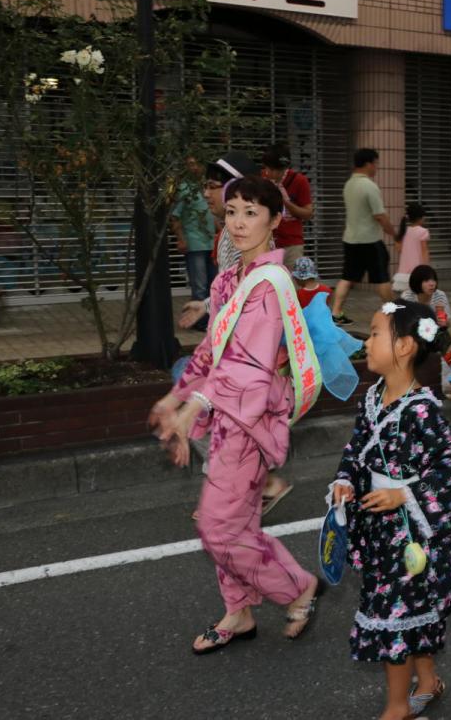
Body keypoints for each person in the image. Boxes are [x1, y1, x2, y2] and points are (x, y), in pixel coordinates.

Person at [149, 175, 322, 653]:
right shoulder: (229, 279)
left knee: (217, 526)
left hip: (251, 418)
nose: (239, 223)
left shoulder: (270, 283)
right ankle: (239, 610)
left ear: (275, 219)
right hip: (228, 414)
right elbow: (211, 351)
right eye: (232, 212)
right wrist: (174, 399)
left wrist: (194, 407)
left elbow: (248, 364)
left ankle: (297, 586)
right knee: (236, 523)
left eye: (251, 212)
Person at [329, 300, 451, 720]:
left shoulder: (422, 410)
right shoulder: (373, 397)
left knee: (393, 612)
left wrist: (405, 493)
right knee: (411, 610)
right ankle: (427, 682)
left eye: (376, 333)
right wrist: (344, 479)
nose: (367, 341)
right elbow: (356, 450)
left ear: (405, 346)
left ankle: (396, 707)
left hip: (409, 535)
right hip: (380, 531)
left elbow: (450, 467)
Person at [176, 152, 294, 515]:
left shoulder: (237, 239)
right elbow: (234, 290)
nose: (207, 193)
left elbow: (248, 295)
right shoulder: (236, 236)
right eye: (231, 209)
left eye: (214, 186)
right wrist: (207, 305)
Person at [333, 149, 397, 325]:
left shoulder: (348, 185)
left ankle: (336, 313)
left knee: (347, 277)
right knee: (382, 278)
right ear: (368, 164)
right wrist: (393, 233)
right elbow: (380, 215)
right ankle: (393, 313)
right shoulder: (369, 186)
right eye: (376, 164)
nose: (376, 167)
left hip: (350, 239)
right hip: (370, 240)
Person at [170, 157, 216, 333]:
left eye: (197, 163)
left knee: (214, 285)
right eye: (190, 164)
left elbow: (210, 214)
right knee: (200, 287)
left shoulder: (206, 187)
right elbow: (175, 216)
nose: (194, 167)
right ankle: (201, 323)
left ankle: (211, 320)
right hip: (195, 244)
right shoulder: (184, 189)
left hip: (211, 243)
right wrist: (181, 239)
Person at [262, 142, 314, 265]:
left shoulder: (299, 181)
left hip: (292, 244)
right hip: (265, 242)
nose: (271, 173)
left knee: (292, 277)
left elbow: (308, 213)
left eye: (276, 170)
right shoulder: (261, 179)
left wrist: (285, 202)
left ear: (284, 168)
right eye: (268, 169)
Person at [393, 202, 430, 296]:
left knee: (405, 297)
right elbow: (424, 251)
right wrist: (427, 267)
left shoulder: (404, 231)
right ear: (420, 217)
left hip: (403, 273)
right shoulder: (423, 231)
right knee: (418, 296)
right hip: (418, 270)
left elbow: (398, 249)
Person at [399, 264, 451, 330]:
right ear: (417, 282)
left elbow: (448, 323)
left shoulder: (440, 295)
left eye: (433, 280)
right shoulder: (407, 297)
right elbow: (402, 323)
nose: (432, 284)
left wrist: (444, 322)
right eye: (426, 281)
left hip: (435, 332)